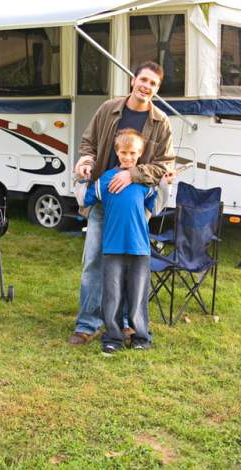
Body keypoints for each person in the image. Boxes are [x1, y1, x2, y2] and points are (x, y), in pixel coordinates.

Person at [69, 61, 174, 345]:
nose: (146, 86)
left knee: (129, 265)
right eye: (143, 80)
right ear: (133, 80)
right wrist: (86, 160)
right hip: (104, 202)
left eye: (153, 83)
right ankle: (87, 324)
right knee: (93, 263)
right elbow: (88, 142)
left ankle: (127, 323)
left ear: (157, 88)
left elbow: (164, 164)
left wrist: (133, 173)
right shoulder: (109, 109)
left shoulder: (161, 122)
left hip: (135, 205)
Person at [83, 129, 157, 353]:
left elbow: (155, 203)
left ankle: (141, 337)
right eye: (123, 152)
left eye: (132, 152)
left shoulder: (146, 183)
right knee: (112, 295)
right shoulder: (104, 180)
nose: (127, 157)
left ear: (140, 153)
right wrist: (82, 177)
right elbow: (85, 200)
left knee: (138, 295)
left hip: (140, 248)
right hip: (112, 247)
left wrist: (167, 184)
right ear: (116, 152)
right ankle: (113, 337)